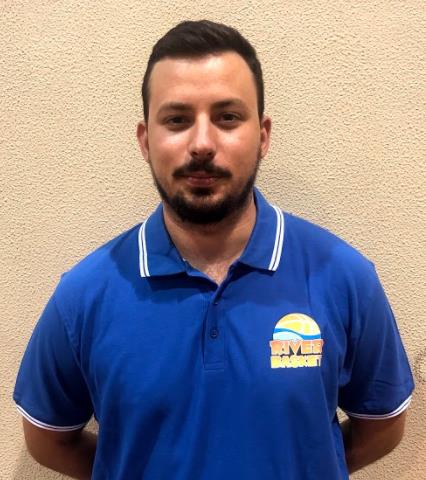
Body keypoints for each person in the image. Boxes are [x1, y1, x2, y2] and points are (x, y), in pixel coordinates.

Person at [14, 20, 414, 480]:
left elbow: (382, 424)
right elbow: (48, 439)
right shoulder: (85, 295)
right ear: (145, 141)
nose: (202, 144)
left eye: (227, 117)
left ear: (263, 135)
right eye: (177, 120)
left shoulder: (344, 277)